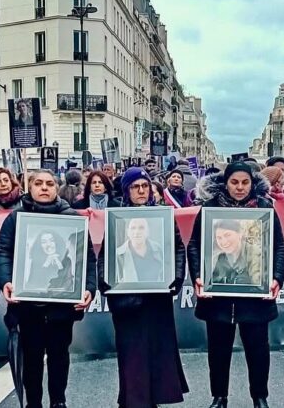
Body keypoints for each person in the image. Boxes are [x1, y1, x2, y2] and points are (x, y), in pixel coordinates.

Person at [188, 162, 284, 408]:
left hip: (254, 294)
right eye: (234, 182)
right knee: (218, 350)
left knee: (258, 351)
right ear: (226, 183)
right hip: (218, 296)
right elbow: (194, 245)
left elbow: (280, 247)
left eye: (245, 182)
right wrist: (199, 276)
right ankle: (219, 396)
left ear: (252, 183)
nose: (240, 187)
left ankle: (259, 397)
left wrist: (275, 278)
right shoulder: (209, 209)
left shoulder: (265, 208)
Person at [0, 170, 96, 408]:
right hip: (28, 305)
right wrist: (6, 281)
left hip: (61, 306)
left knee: (59, 356)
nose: (44, 188)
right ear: (29, 187)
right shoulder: (16, 218)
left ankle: (58, 402)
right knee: (31, 358)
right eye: (38, 183)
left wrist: (89, 288)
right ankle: (34, 403)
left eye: (49, 183)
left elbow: (87, 259)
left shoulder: (71, 217)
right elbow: (3, 252)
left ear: (56, 188)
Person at [99, 167, 189, 407]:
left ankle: (154, 398)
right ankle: (132, 400)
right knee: (132, 353)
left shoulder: (162, 216)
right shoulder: (117, 218)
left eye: (145, 186)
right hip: (127, 300)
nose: (141, 191)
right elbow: (106, 257)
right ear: (127, 191)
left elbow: (177, 249)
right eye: (135, 187)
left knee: (157, 351)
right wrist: (107, 285)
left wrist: (176, 279)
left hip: (157, 298)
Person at [210, 220, 263, 285]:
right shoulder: (219, 257)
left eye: (227, 235)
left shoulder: (254, 252)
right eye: (219, 238)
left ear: (240, 234)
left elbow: (258, 281)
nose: (223, 242)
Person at [115, 218, 165, 282]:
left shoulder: (158, 249)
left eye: (141, 228)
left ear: (148, 231)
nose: (137, 232)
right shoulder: (118, 255)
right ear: (128, 232)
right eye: (133, 228)